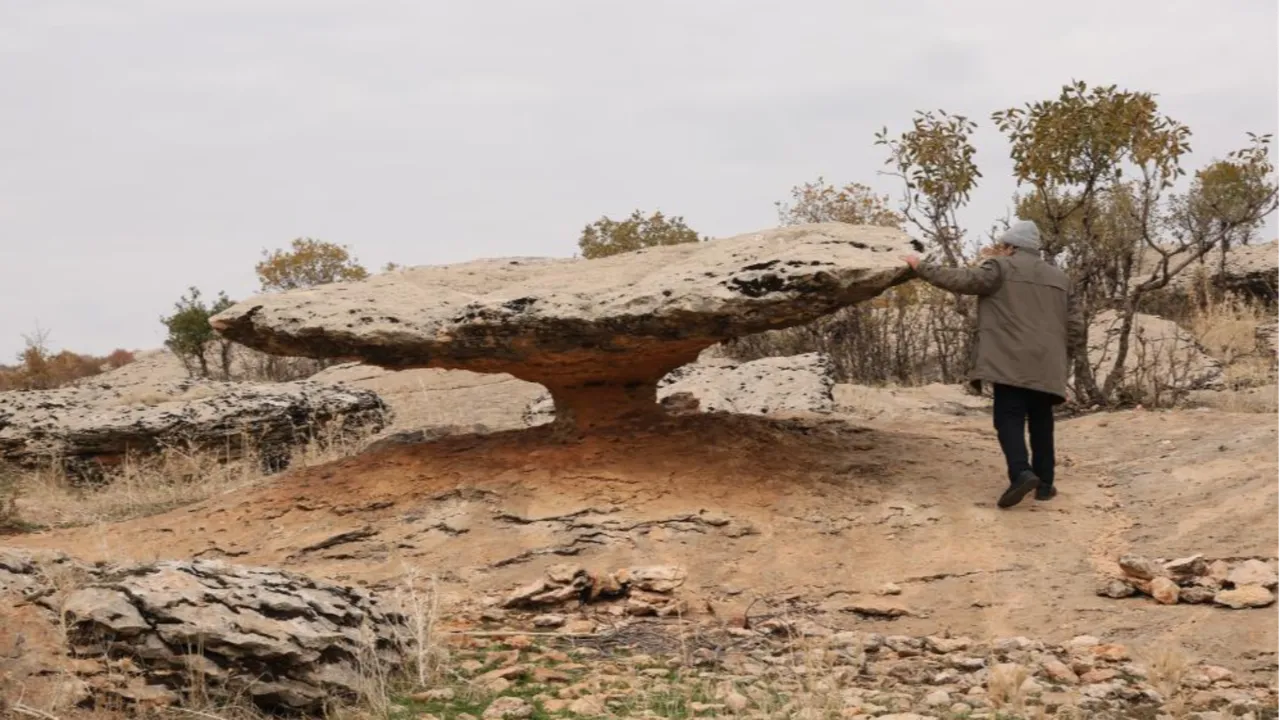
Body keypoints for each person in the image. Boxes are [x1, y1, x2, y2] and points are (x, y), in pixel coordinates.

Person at [900, 220, 1084, 509]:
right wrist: (1065, 362)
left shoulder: (1000, 268)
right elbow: (1075, 326)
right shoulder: (1061, 278)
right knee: (1041, 421)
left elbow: (963, 280)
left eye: (1004, 246)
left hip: (1009, 360)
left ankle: (1021, 473)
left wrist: (920, 267)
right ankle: (1045, 484)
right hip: (1048, 363)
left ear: (1011, 247)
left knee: (1008, 418)